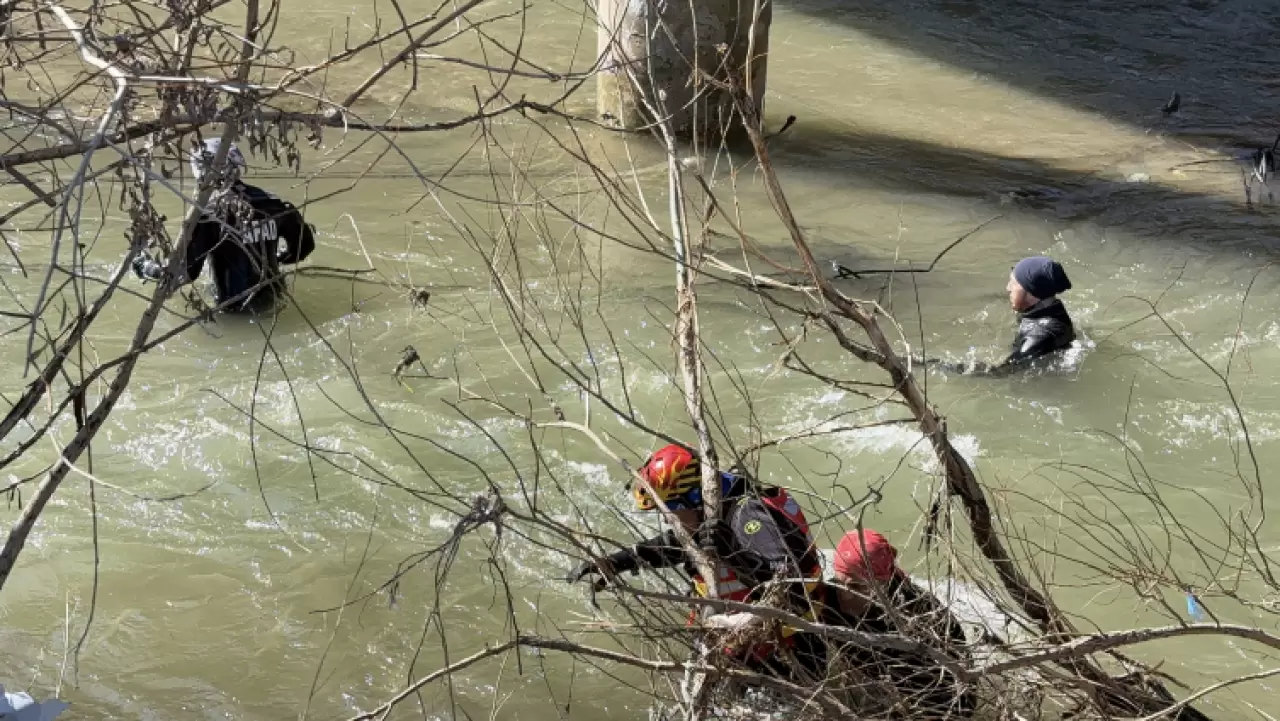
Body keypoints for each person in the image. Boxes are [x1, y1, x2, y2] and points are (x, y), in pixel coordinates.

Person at [565, 443, 824, 665]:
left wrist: (732, 553)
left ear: (694, 500)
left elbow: (793, 584)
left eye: (669, 511)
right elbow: (678, 544)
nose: (667, 520)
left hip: (787, 655)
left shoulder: (749, 516)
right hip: (748, 647)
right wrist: (614, 563)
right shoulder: (716, 511)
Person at [795, 529, 975, 719]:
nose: (846, 594)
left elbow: (959, 678)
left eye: (857, 586)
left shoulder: (913, 615)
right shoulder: (826, 599)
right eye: (841, 583)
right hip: (874, 677)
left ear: (882, 583)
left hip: (931, 689)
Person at [132, 138, 316, 313]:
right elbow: (304, 247)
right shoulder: (274, 203)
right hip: (276, 299)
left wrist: (145, 266)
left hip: (235, 311)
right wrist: (275, 258)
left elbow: (182, 274)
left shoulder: (209, 214)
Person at [930, 255, 1075, 376]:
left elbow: (1001, 372)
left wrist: (939, 365)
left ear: (1031, 292)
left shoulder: (1039, 336)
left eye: (1014, 284)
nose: (1007, 288)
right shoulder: (1049, 307)